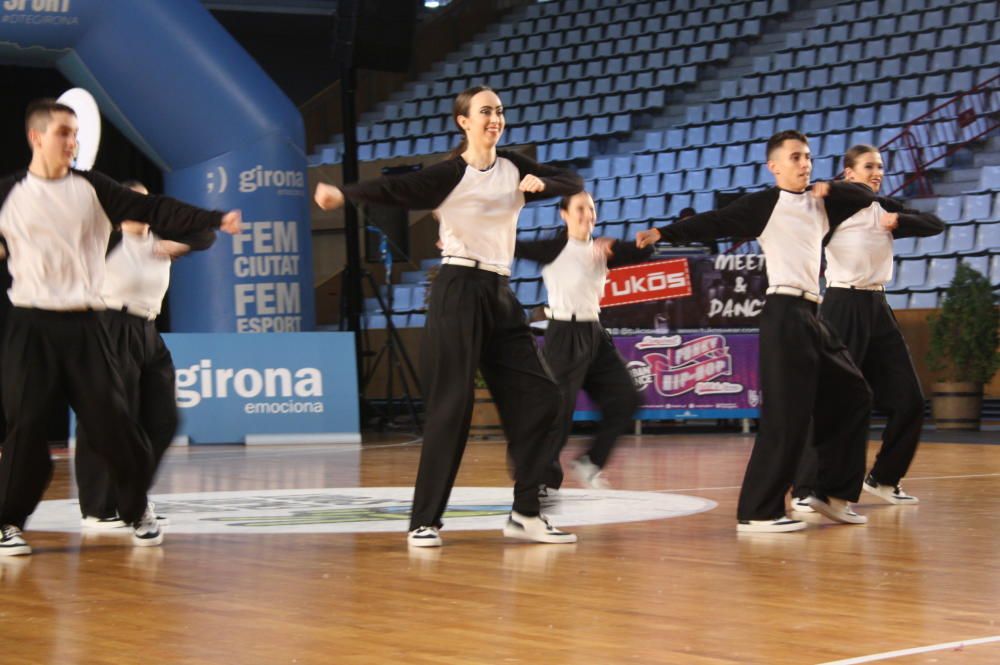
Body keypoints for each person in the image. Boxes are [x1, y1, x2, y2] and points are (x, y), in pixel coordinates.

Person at [315, 85, 583, 547]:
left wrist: (544, 184)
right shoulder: (449, 174)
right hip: (458, 289)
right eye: (485, 111)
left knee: (543, 398)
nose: (495, 118)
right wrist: (344, 193)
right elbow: (396, 188)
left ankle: (526, 512)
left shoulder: (516, 166)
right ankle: (424, 520)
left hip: (500, 291)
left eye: (499, 111)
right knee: (451, 408)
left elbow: (571, 180)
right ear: (464, 121)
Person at [0, 99, 240, 556]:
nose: (72, 142)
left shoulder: (94, 188)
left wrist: (212, 219)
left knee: (114, 422)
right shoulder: (8, 192)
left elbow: (158, 209)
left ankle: (135, 509)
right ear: (36, 137)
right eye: (63, 133)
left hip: (86, 323)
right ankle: (6, 522)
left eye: (75, 134)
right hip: (30, 325)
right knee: (26, 427)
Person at [636, 130, 878, 533]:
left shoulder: (823, 203)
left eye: (808, 157)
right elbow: (716, 221)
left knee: (856, 394)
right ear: (774, 166)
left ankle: (828, 492)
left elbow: (866, 197)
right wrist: (665, 233)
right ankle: (758, 511)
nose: (805, 164)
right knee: (787, 418)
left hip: (812, 316)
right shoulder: (767, 204)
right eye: (796, 157)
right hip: (784, 313)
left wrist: (829, 189)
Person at [791, 145, 944, 512]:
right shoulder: (836, 210)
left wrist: (900, 222)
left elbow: (936, 224)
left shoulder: (886, 208)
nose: (878, 171)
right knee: (832, 398)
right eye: (869, 166)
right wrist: (828, 188)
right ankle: (805, 487)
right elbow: (824, 193)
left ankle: (884, 479)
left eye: (881, 166)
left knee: (909, 400)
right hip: (842, 305)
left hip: (878, 307)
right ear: (849, 172)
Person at [75, 180, 217, 530]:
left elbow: (206, 234)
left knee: (164, 419)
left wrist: (179, 244)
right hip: (108, 325)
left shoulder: (157, 242)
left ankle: (131, 496)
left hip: (147, 330)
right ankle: (98, 508)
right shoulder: (104, 238)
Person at [515, 191, 651, 491]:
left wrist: (615, 246)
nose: (586, 214)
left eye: (591, 208)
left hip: (595, 334)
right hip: (564, 333)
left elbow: (645, 252)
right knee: (558, 413)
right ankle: (540, 480)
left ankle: (591, 461)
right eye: (579, 208)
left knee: (626, 399)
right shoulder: (553, 247)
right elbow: (512, 246)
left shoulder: (602, 248)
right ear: (564, 214)